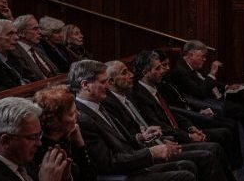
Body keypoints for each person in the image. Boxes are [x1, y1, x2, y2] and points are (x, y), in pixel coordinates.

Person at [105, 57, 233, 181]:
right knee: (205, 155)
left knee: (215, 145)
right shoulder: (116, 102)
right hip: (148, 152)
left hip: (162, 140)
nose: (131, 75)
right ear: (110, 82)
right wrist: (163, 143)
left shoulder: (128, 96)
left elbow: (165, 117)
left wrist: (188, 129)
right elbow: (135, 135)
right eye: (124, 73)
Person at [69, 59, 197, 180]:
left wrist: (141, 137)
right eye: (103, 82)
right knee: (185, 175)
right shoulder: (82, 118)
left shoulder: (99, 105)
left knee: (187, 165)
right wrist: (150, 153)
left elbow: (120, 140)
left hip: (132, 162)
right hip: (122, 175)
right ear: (85, 85)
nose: (108, 86)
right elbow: (108, 163)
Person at [167, 40, 244, 160]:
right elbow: (201, 92)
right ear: (191, 54)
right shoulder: (181, 71)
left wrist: (226, 87)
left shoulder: (190, 67)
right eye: (202, 56)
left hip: (215, 100)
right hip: (206, 106)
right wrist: (212, 73)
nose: (204, 59)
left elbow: (205, 82)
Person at [0, 96, 70, 181]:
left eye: (39, 135)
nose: (39, 143)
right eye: (32, 137)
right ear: (6, 141)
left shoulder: (21, 159)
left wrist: (63, 177)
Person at [33, 85, 97, 181]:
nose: (78, 114)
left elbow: (91, 174)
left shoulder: (67, 137)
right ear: (54, 121)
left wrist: (80, 144)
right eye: (72, 114)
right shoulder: (45, 152)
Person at [0, 18, 32, 88]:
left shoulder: (12, 55)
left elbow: (30, 76)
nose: (16, 37)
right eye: (10, 34)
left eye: (16, 33)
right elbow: (11, 89)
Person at [12, 14, 60, 80]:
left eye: (39, 28)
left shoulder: (38, 50)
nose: (40, 32)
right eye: (35, 29)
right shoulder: (15, 52)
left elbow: (56, 71)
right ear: (21, 33)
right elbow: (31, 78)